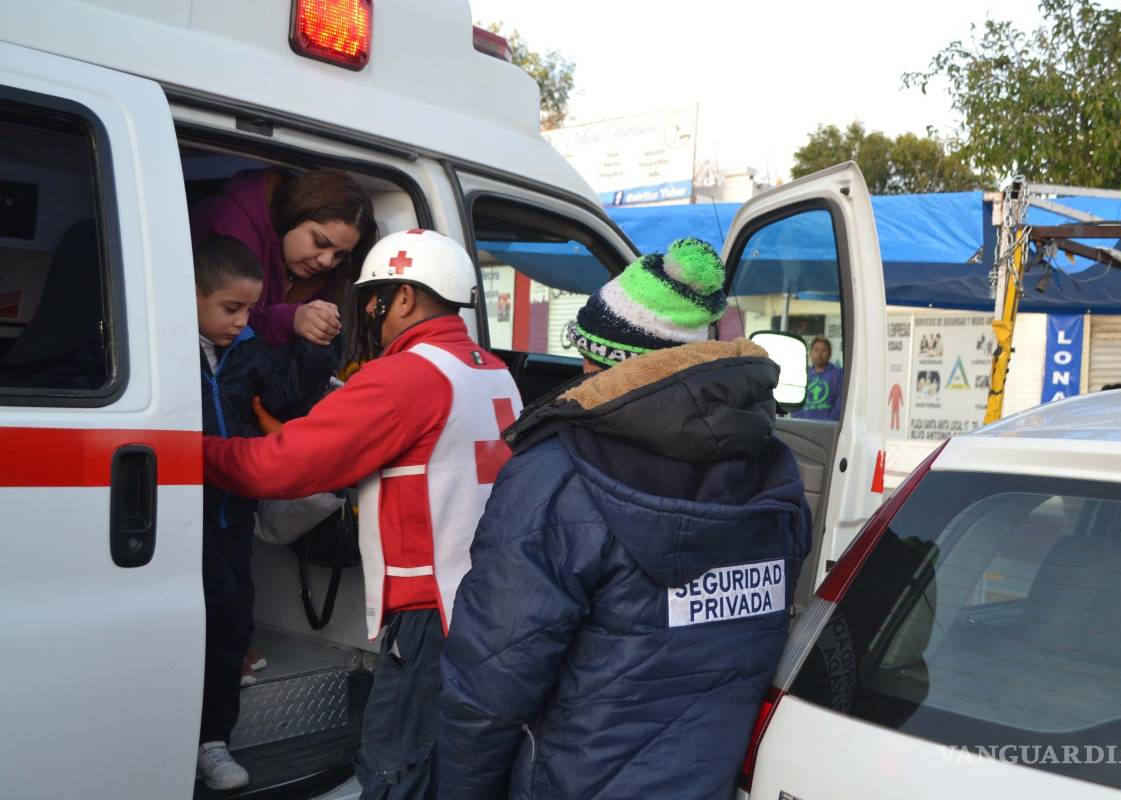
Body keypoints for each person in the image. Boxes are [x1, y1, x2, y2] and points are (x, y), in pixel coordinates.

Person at [438, 238, 811, 799]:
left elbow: (494, 678)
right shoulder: (774, 469)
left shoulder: (556, 475)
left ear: (603, 362)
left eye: (584, 353)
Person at [202, 229, 521, 799]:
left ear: (401, 299)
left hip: (429, 613)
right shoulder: (490, 369)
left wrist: (189, 449)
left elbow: (277, 469)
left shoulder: (404, 377)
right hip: (484, 599)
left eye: (372, 300)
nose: (368, 316)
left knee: (395, 764)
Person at [193, 236, 337, 790]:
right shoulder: (156, 351)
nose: (242, 321)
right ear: (192, 296)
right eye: (230, 309)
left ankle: (212, 742)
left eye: (249, 309)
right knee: (204, 614)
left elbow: (284, 401)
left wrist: (312, 346)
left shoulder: (247, 347)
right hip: (176, 515)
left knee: (232, 620)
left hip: (232, 516)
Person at [191, 168, 377, 349]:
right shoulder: (231, 225)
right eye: (319, 242)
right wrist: (292, 319)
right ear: (294, 213)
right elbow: (221, 319)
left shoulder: (322, 275)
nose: (327, 261)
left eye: (340, 255)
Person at [792, 335, 842, 419]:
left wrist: (829, 423)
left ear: (829, 354)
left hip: (828, 428)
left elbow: (840, 402)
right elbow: (795, 401)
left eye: (824, 350)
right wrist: (800, 421)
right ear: (810, 353)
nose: (819, 353)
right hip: (803, 427)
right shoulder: (803, 375)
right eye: (816, 350)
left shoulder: (838, 374)